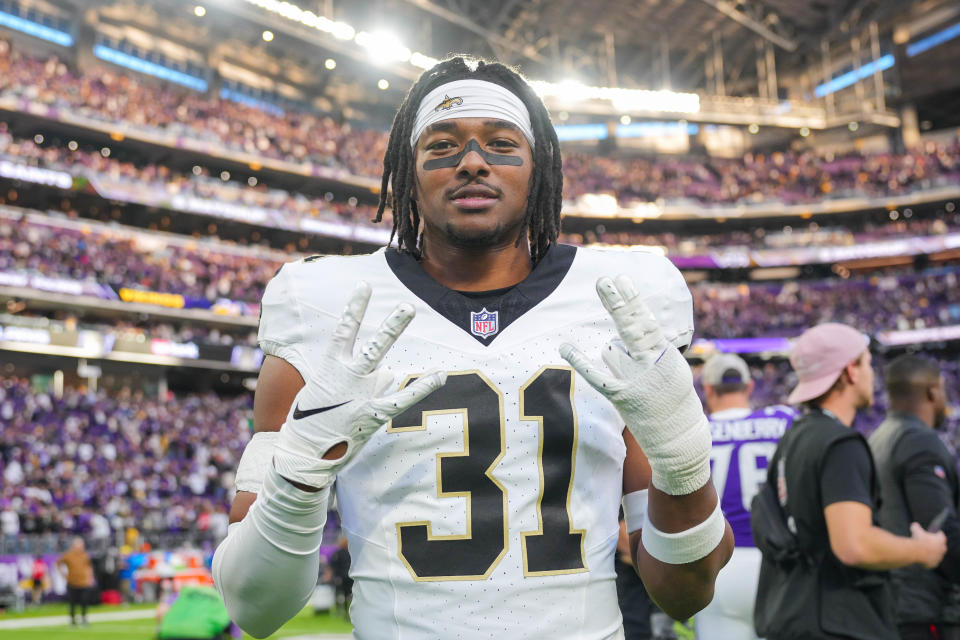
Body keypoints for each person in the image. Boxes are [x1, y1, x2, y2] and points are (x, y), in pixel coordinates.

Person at [213, 56, 733, 639]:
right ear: (408, 175)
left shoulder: (621, 304)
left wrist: (682, 458)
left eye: (501, 143)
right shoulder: (328, 309)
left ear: (538, 170)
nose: (473, 162)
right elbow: (253, 610)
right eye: (442, 145)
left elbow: (686, 592)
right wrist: (300, 473)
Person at [754, 323, 947, 640]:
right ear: (850, 372)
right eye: (867, 363)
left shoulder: (794, 437)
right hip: (836, 621)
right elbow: (853, 545)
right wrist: (920, 550)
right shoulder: (840, 444)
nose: (873, 374)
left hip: (791, 613)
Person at [694, 353, 796, 640]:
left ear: (709, 389)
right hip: (778, 562)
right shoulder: (783, 419)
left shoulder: (694, 431)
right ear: (749, 387)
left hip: (717, 567)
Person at [869, 354, 960, 640]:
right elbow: (939, 529)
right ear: (933, 392)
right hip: (927, 608)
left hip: (893, 602)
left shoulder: (877, 437)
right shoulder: (919, 440)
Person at [57, 537, 95, 627]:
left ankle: (84, 619)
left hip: (83, 582)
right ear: (74, 546)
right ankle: (73, 621)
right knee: (72, 603)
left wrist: (90, 578)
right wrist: (64, 575)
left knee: (84, 601)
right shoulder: (68, 555)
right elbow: (58, 563)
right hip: (72, 582)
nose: (81, 548)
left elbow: (89, 567)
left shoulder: (85, 555)